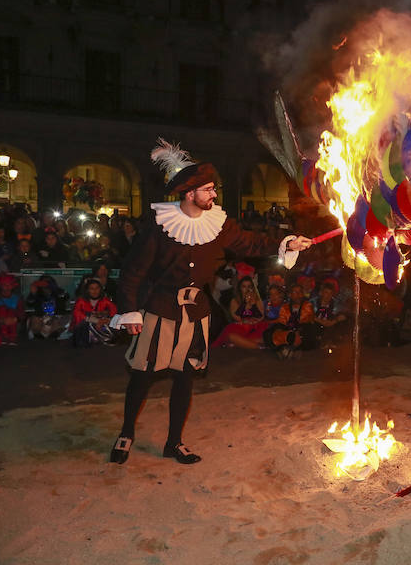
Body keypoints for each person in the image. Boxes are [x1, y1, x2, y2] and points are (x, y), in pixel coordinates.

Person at [108, 139, 311, 466]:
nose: (214, 194)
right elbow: (132, 272)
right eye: (208, 190)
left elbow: (250, 242)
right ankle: (126, 432)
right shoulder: (159, 226)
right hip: (159, 310)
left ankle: (174, 443)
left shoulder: (218, 223)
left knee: (185, 377)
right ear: (190, 194)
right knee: (142, 376)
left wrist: (286, 242)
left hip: (196, 313)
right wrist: (129, 311)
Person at [264, 283, 316, 357]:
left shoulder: (307, 305)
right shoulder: (285, 307)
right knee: (270, 332)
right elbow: (282, 322)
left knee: (307, 330)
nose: (298, 295)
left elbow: (305, 320)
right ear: (290, 295)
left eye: (300, 292)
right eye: (295, 292)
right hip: (289, 333)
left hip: (302, 331)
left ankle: (289, 349)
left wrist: (296, 332)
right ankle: (287, 348)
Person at [71, 278, 118, 347]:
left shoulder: (105, 300)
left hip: (102, 323)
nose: (95, 291)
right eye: (91, 289)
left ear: (100, 289)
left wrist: (106, 319)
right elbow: (77, 313)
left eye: (97, 288)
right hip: (86, 325)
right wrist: (96, 320)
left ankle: (106, 339)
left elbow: (114, 310)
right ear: (87, 290)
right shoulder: (81, 301)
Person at [0, 274, 24, 346]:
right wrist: (0, 320)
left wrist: (15, 319)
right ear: (0, 286)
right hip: (0, 323)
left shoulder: (17, 298)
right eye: (4, 284)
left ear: (13, 286)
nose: (7, 287)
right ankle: (3, 335)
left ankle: (12, 336)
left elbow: (21, 313)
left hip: (14, 323)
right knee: (2, 309)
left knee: (10, 311)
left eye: (9, 284)